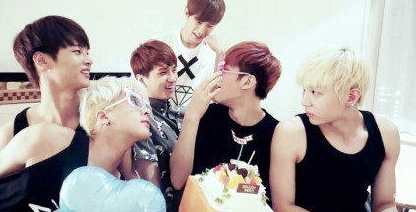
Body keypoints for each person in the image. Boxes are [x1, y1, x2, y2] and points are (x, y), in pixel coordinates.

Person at [270, 47, 400, 212]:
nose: (305, 101)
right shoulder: (291, 133)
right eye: (305, 90)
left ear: (351, 96)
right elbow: (283, 207)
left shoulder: (386, 134)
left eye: (316, 92)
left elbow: (385, 204)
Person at [0, 76, 153, 211]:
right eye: (135, 101)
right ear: (103, 116)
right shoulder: (50, 138)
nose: (147, 111)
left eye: (146, 105)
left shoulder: (118, 190)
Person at [170, 41, 282, 205]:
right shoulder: (208, 115)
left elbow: (269, 199)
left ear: (247, 82)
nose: (216, 76)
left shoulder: (277, 134)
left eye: (223, 70)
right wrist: (192, 117)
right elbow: (177, 180)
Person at [0, 15, 92, 156]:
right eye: (77, 51)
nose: (89, 60)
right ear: (41, 60)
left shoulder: (101, 120)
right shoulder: (10, 135)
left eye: (87, 52)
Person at [131, 40, 184, 211]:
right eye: (163, 72)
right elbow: (152, 189)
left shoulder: (183, 113)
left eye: (174, 70)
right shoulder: (140, 119)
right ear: (141, 79)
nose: (173, 78)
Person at [156, 0, 226, 106]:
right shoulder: (160, 42)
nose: (201, 31)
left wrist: (220, 54)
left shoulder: (214, 53)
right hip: (159, 113)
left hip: (197, 115)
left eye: (210, 26)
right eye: (198, 22)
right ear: (186, 13)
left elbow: (216, 97)